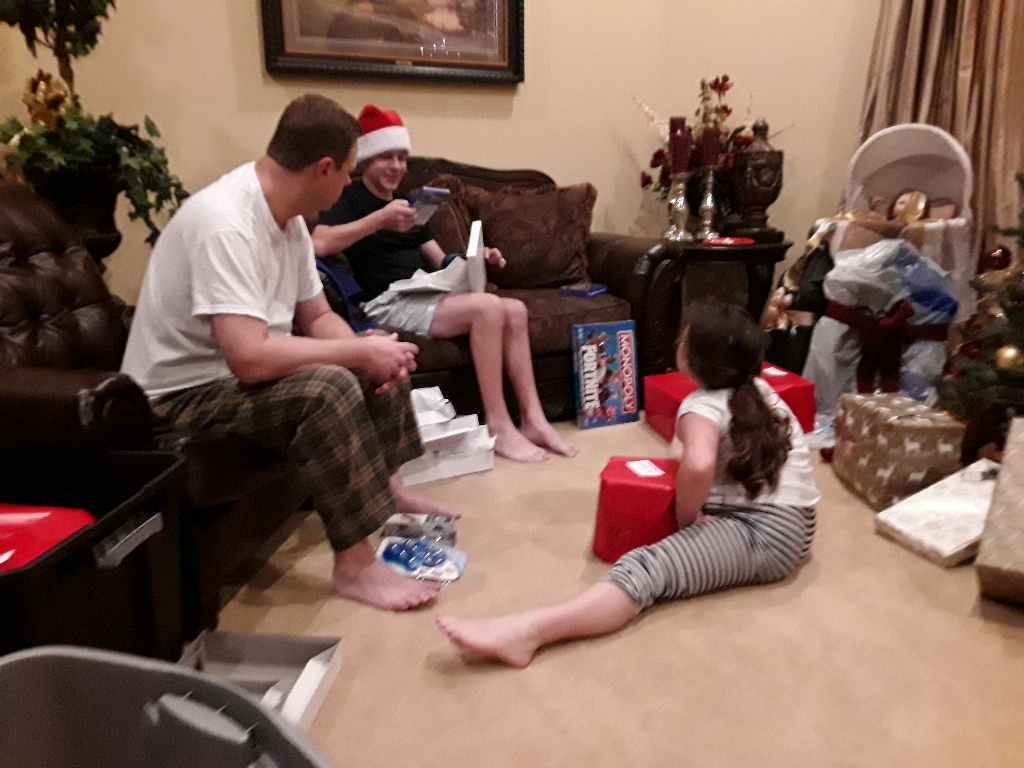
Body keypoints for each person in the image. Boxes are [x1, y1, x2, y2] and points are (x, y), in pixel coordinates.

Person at [121, 94, 457, 611]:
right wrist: (352, 357)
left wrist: (365, 348)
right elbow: (249, 357)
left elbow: (317, 316)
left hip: (232, 377)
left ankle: (389, 488)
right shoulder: (226, 221)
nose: (347, 185)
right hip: (178, 396)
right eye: (347, 172)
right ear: (323, 169)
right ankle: (356, 568)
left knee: (375, 351)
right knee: (331, 386)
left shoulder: (292, 220)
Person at [436, 302, 820, 666]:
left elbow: (699, 464)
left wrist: (688, 518)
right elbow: (688, 452)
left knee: (645, 567)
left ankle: (528, 633)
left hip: (763, 536)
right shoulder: (759, 391)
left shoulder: (701, 407)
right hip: (796, 523)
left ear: (689, 357)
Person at [311, 104, 577, 464]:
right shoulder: (350, 197)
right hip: (383, 300)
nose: (397, 166)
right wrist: (379, 220)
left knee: (515, 309)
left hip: (423, 289)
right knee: (487, 308)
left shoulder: (408, 205)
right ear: (367, 160)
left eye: (402, 158)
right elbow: (318, 243)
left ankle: (533, 419)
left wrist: (477, 258)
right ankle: (498, 426)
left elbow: (440, 260)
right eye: (387, 157)